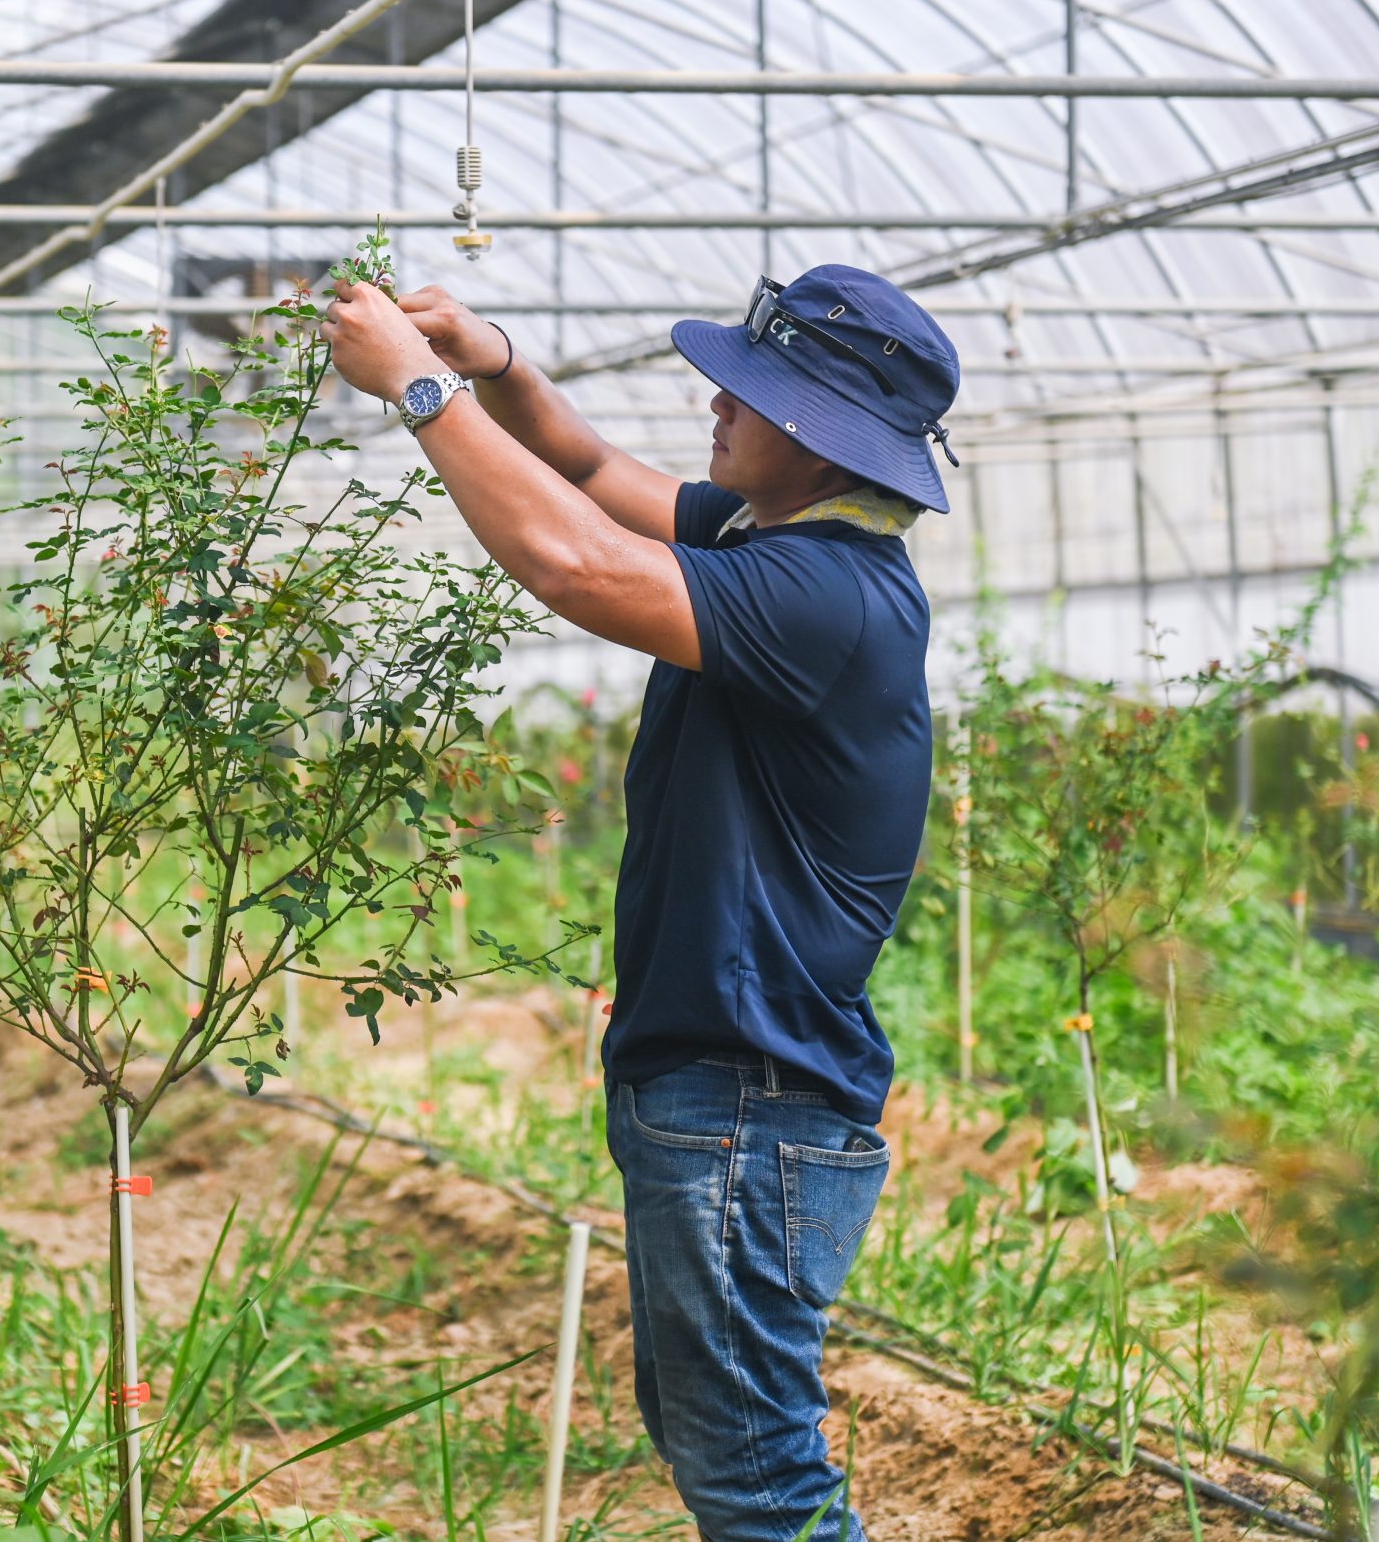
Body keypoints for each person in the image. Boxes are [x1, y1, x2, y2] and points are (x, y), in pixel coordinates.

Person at [320, 266, 954, 1542]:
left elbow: (573, 562)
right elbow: (589, 469)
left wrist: (418, 387)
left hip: (748, 1098)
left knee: (758, 1474)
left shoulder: (824, 596)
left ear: (826, 433)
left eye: (754, 390)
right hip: (727, 1092)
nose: (716, 397)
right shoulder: (764, 533)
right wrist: (493, 361)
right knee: (716, 1437)